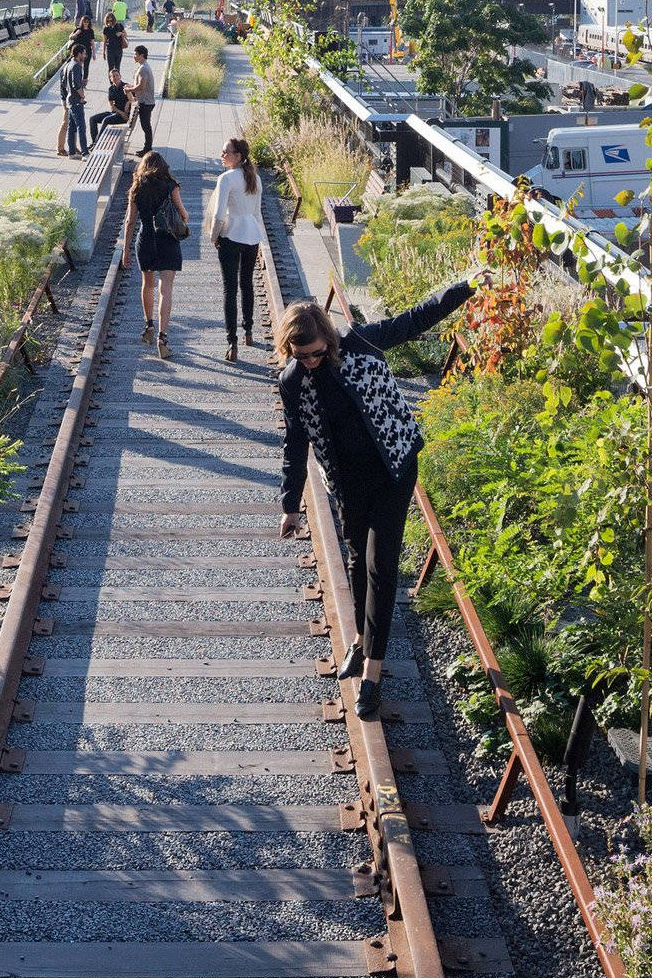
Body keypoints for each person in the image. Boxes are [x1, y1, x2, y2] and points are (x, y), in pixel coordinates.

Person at [276, 281, 482, 719]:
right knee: (356, 558)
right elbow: (296, 443)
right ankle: (360, 640)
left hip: (393, 467)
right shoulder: (292, 382)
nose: (311, 362)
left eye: (316, 352)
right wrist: (290, 505)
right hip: (348, 480)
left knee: (380, 564)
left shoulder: (359, 342)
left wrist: (464, 288)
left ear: (327, 341)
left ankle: (372, 673)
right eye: (302, 356)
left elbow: (414, 319)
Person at [121, 150, 188, 358]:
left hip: (146, 240)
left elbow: (130, 221)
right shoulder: (171, 186)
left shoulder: (136, 187)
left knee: (147, 284)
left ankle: (149, 326)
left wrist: (125, 250)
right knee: (165, 289)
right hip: (168, 241)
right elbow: (184, 214)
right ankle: (163, 337)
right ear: (163, 166)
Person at [207, 136, 264, 362]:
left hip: (231, 235)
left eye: (226, 152)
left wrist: (214, 236)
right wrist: (260, 238)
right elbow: (257, 213)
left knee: (229, 289)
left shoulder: (226, 179)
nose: (222, 155)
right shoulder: (255, 179)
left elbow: (220, 215)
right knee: (247, 283)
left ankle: (232, 342)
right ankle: (248, 331)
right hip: (251, 235)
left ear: (238, 156)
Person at [59, 43, 91, 158]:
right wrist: (82, 96)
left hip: (70, 100)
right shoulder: (76, 66)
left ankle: (71, 152)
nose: (85, 56)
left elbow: (64, 83)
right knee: (81, 127)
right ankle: (85, 153)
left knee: (72, 127)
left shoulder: (68, 65)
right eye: (84, 53)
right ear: (79, 54)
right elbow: (76, 85)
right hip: (76, 101)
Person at [129, 44, 157, 154]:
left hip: (145, 102)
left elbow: (141, 86)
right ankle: (147, 147)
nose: (134, 56)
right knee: (146, 125)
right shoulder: (143, 66)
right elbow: (139, 85)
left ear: (141, 55)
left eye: (135, 54)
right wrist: (131, 87)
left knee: (146, 126)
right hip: (146, 101)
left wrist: (128, 90)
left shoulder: (143, 69)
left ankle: (147, 148)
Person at [88, 65, 129, 141]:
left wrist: (128, 103)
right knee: (92, 119)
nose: (115, 77)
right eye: (113, 76)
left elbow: (135, 99)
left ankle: (97, 143)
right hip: (116, 113)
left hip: (123, 116)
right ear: (110, 79)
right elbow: (111, 105)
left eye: (117, 75)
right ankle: (94, 142)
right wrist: (120, 112)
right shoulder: (111, 89)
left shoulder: (126, 86)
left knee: (105, 120)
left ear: (120, 76)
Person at [102, 10, 128, 77]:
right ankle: (112, 83)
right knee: (110, 68)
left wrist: (121, 33)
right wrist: (103, 52)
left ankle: (117, 83)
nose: (110, 22)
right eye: (108, 21)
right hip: (110, 49)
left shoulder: (119, 26)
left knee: (117, 67)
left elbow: (125, 34)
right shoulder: (106, 29)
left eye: (111, 21)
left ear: (114, 20)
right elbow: (104, 41)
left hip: (118, 49)